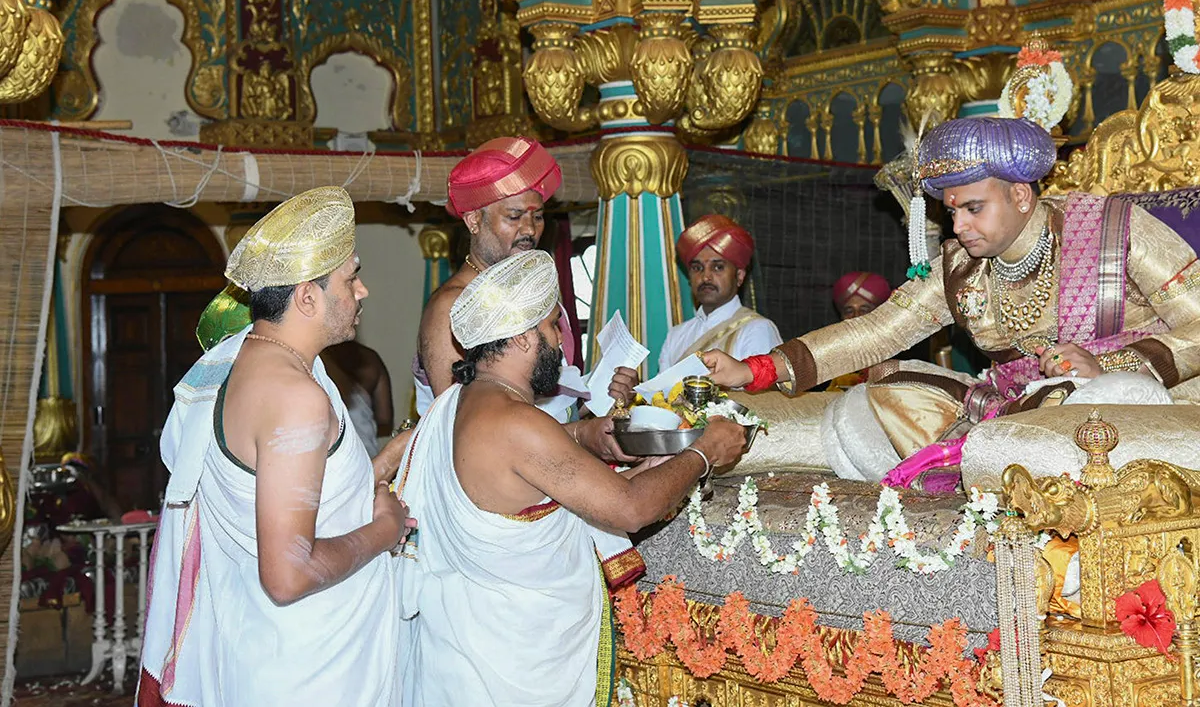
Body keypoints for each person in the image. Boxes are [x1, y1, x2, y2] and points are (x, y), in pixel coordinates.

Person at [704, 114, 1200, 489]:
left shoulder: (1115, 230)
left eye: (974, 208)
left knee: (1093, 404)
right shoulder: (960, 265)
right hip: (1018, 412)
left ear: (1022, 196)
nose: (959, 226)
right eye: (952, 210)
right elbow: (880, 331)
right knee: (873, 401)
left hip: (1132, 408)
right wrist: (756, 371)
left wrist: (1110, 366)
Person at [396, 250, 748, 706]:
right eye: (548, 327)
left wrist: (588, 438)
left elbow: (534, 472)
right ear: (522, 339)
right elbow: (630, 508)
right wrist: (704, 452)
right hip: (507, 665)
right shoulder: (517, 422)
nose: (560, 340)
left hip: (466, 650)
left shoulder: (460, 403)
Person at [139, 187, 414, 707]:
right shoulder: (295, 398)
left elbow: (282, 492)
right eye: (350, 277)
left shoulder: (237, 364)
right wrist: (385, 529)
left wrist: (377, 469)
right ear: (307, 296)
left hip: (265, 650)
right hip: (310, 672)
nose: (363, 291)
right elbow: (287, 575)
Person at [415, 135, 644, 588]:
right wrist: (579, 434)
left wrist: (600, 399)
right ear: (474, 218)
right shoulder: (453, 309)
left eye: (537, 216)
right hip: (498, 517)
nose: (530, 229)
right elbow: (467, 433)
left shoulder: (531, 297)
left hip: (551, 474)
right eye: (514, 215)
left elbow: (540, 396)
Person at [657, 215, 783, 373]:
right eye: (697, 268)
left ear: (739, 276)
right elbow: (660, 396)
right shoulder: (675, 336)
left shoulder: (757, 330)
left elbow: (764, 397)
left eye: (718, 267)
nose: (705, 277)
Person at [324, 340, 394, 457]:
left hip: (332, 462)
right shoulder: (370, 358)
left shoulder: (315, 359)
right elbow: (384, 418)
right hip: (368, 458)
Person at [825, 272, 893, 391]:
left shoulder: (898, 351)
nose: (856, 317)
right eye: (849, 311)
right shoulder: (829, 357)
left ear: (879, 315)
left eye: (864, 310)